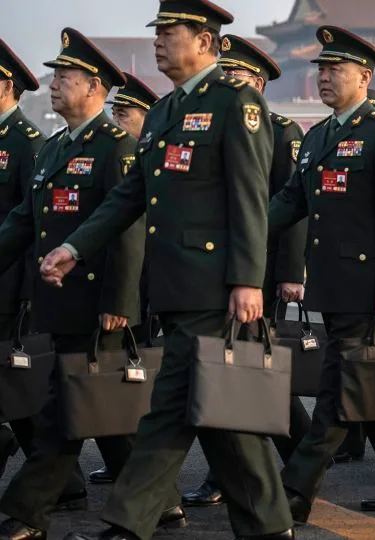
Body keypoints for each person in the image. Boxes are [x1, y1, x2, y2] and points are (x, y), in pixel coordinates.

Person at [40, 2, 297, 538]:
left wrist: (247, 280)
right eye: (156, 32)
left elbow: (249, 197)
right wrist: (75, 247)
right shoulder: (162, 112)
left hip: (213, 287)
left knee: (168, 412)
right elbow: (129, 196)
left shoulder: (236, 102)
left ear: (205, 41)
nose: (158, 41)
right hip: (174, 286)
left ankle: (127, 524)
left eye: (169, 32)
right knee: (222, 419)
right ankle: (270, 526)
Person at [0, 27, 167, 539]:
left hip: (97, 299)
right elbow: (24, 222)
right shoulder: (55, 148)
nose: (53, 84)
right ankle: (161, 501)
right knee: (101, 406)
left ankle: (27, 511)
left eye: (65, 77)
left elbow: (129, 230)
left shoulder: (117, 148)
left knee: (67, 408)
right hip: (60, 298)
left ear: (95, 87)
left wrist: (119, 300)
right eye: (54, 76)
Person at [265, 25, 375, 521]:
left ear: (364, 76)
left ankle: (295, 488)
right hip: (332, 284)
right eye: (320, 69)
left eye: (335, 69)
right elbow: (290, 201)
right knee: (365, 381)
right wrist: (246, 233)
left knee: (338, 388)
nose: (324, 77)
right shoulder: (319, 136)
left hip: (367, 288)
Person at [176, 33, 313, 509]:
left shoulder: (281, 131)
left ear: (258, 82)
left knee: (242, 367)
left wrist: (290, 273)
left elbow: (292, 207)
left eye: (237, 74)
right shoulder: (213, 123)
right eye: (225, 72)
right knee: (249, 367)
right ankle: (304, 454)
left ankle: (242, 471)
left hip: (260, 270)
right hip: (222, 268)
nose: (228, 80)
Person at [84, 71, 162, 487]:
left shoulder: (130, 153)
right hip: (122, 281)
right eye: (115, 112)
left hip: (143, 282)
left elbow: (132, 234)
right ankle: (127, 468)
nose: (117, 119)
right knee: (114, 379)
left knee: (128, 377)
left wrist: (124, 298)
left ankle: (145, 481)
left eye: (125, 113)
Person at [0, 37, 43, 484]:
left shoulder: (27, 142)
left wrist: (30, 290)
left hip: (11, 283)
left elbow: (34, 223)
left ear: (6, 85)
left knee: (16, 381)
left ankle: (59, 476)